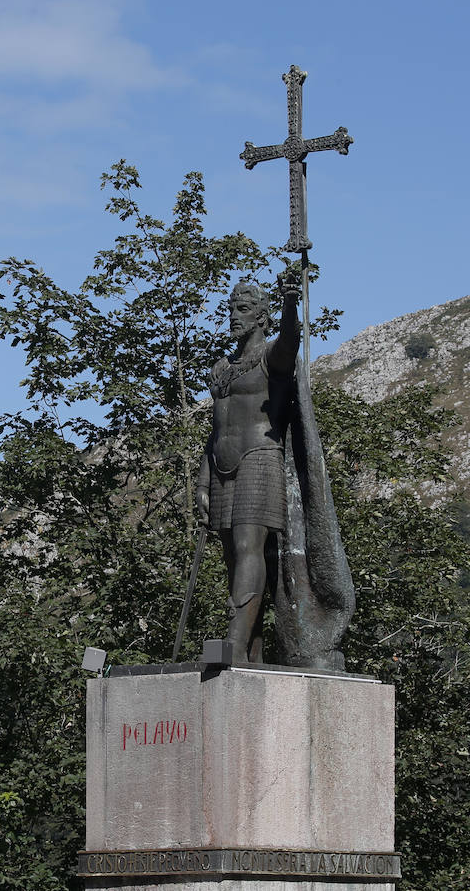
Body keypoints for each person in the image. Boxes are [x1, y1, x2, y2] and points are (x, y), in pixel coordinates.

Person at [195, 277, 301, 664]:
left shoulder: (271, 358)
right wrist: (203, 480)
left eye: (242, 310)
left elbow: (291, 340)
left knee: (248, 548)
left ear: (261, 317)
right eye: (230, 309)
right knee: (232, 560)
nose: (233, 317)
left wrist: (291, 303)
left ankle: (233, 645)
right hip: (222, 466)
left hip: (259, 459)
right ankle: (251, 653)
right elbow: (216, 428)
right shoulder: (223, 368)